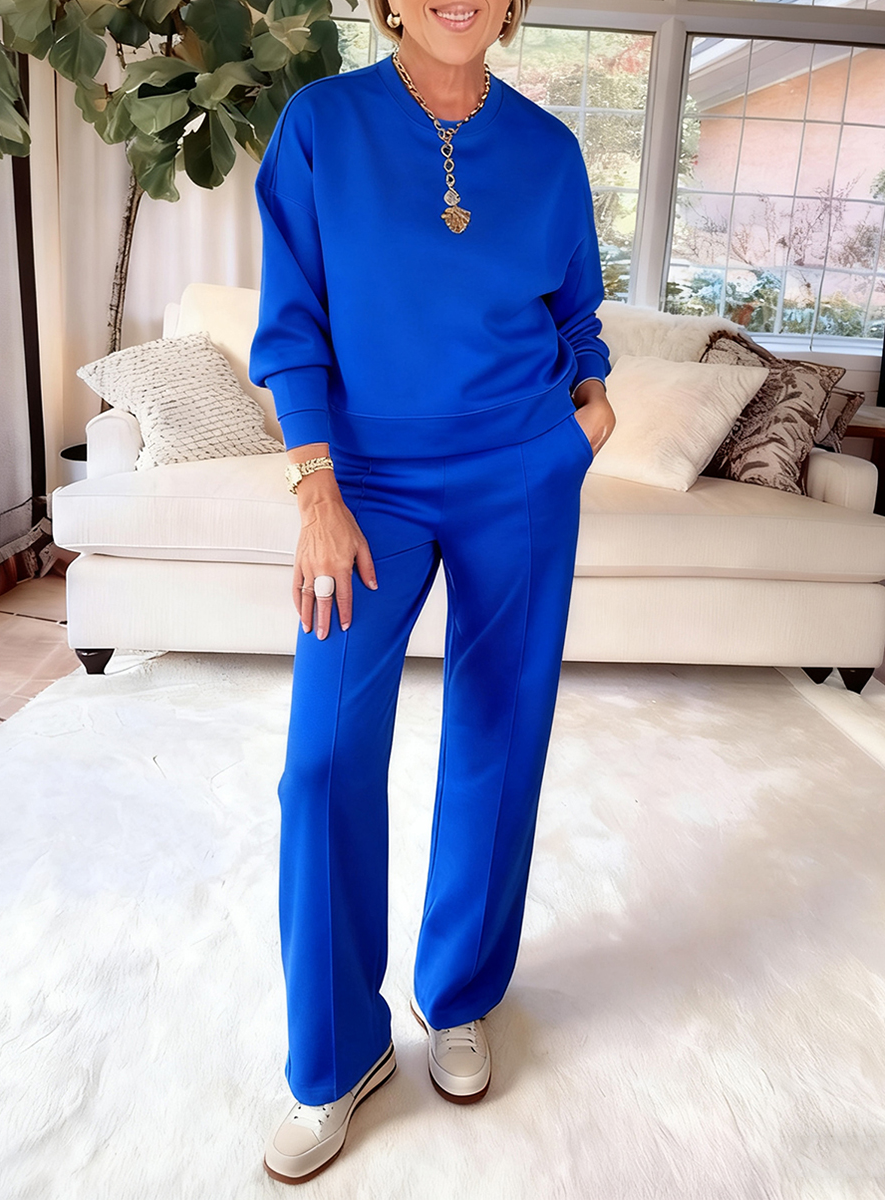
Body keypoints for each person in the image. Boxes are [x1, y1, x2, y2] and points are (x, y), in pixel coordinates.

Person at [248, 0, 616, 1182]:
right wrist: (315, 485)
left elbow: (576, 312)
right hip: (363, 485)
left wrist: (587, 409)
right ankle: (336, 1054)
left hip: (521, 471)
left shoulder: (550, 150)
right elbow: (292, 319)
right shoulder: (321, 125)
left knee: (501, 736)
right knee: (322, 762)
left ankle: (457, 994)